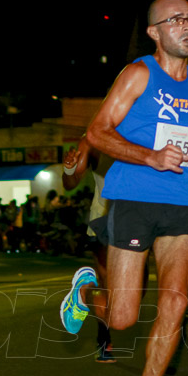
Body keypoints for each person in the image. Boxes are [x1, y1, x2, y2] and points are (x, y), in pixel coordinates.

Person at [61, 0, 188, 376]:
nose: (187, 26)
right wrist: (149, 157)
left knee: (176, 302)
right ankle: (86, 290)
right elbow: (98, 132)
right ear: (155, 32)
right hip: (133, 198)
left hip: (180, 204)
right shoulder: (138, 73)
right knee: (120, 318)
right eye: (176, 20)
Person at [63, 137, 118, 363]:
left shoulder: (148, 128)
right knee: (110, 291)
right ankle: (104, 340)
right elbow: (71, 183)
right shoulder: (95, 139)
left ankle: (86, 288)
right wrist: (69, 169)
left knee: (131, 296)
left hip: (139, 221)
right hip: (104, 220)